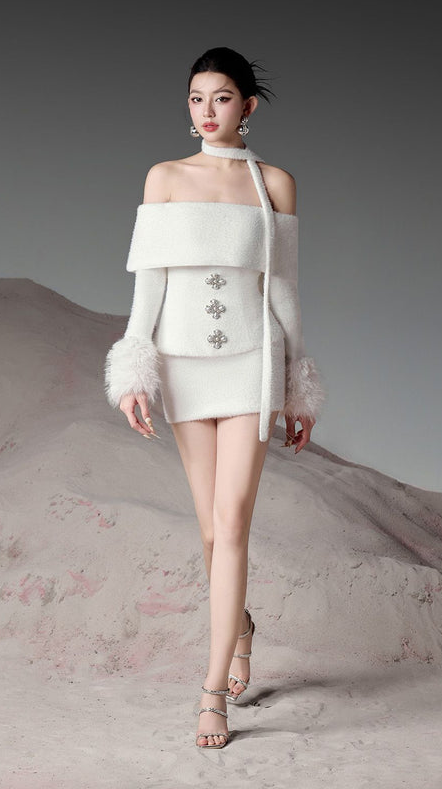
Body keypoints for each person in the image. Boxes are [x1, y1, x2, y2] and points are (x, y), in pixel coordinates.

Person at [104, 46, 324, 749]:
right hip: (181, 366)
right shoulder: (164, 177)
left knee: (231, 526)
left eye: (221, 97)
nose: (207, 111)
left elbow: (284, 291)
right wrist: (133, 369)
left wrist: (298, 387)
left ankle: (210, 695)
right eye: (197, 98)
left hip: (253, 364)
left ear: (247, 107)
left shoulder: (274, 183)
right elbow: (150, 284)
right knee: (208, 530)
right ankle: (242, 627)